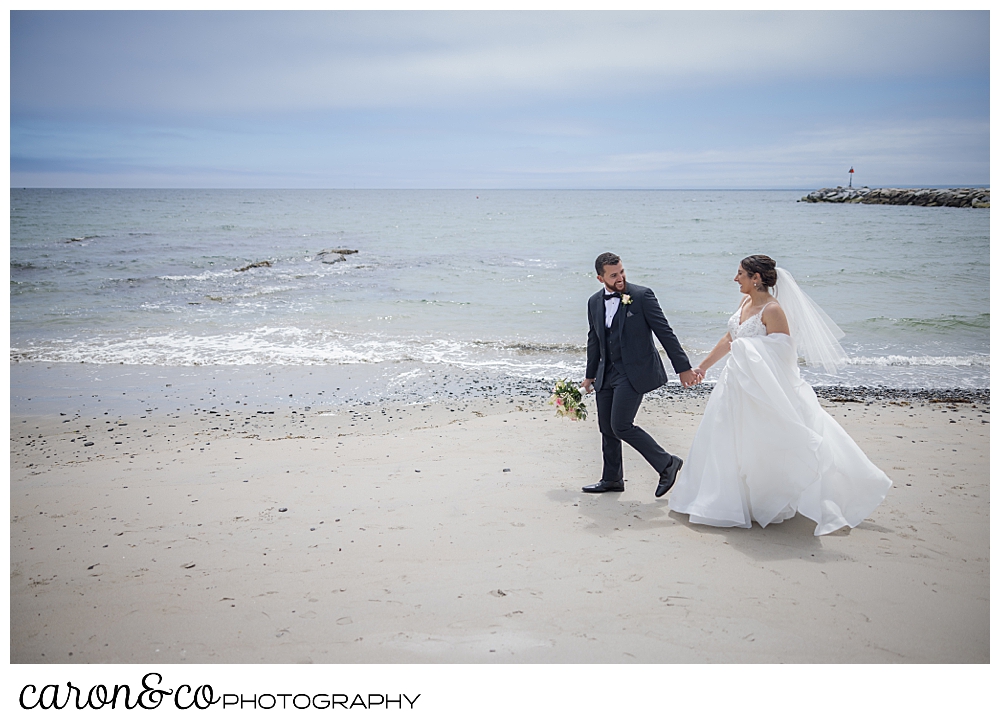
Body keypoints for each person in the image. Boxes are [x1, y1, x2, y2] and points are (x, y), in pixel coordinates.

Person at [667, 255, 892, 536]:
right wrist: (702, 367)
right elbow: (730, 338)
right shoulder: (745, 303)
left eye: (740, 274)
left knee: (760, 441)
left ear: (756, 278)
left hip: (761, 390)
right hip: (735, 384)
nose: (735, 279)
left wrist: (747, 351)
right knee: (726, 437)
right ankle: (727, 500)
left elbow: (784, 353)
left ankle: (767, 499)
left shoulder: (773, 310)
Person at [582, 252, 699, 497]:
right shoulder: (594, 302)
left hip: (634, 372)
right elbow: (594, 340)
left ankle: (667, 464)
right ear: (600, 278)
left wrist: (683, 368)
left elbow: (665, 332)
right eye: (613, 275)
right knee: (606, 426)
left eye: (622, 271)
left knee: (621, 425)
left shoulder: (642, 296)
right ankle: (612, 479)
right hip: (606, 372)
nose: (620, 278)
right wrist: (589, 375)